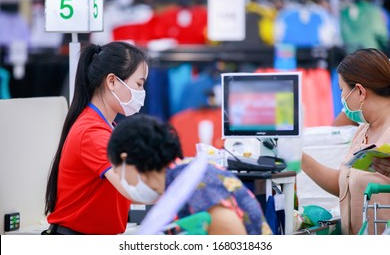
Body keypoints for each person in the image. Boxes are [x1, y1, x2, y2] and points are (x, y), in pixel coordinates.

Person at [42, 41, 149, 235]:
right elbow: (135, 188)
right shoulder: (92, 133)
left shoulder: (107, 128)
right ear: (112, 81)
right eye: (139, 84)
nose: (142, 93)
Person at [107, 114, 272, 235]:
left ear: (127, 160)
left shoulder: (198, 187)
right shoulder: (180, 181)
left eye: (117, 170)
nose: (121, 178)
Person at [302, 48, 390, 235]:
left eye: (343, 91)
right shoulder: (362, 131)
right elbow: (343, 185)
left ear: (359, 91)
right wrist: (300, 158)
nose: (342, 99)